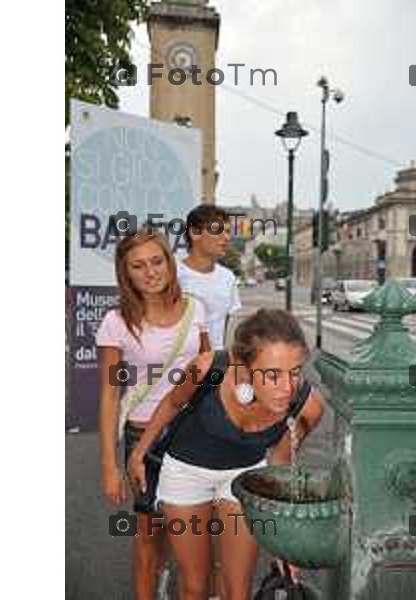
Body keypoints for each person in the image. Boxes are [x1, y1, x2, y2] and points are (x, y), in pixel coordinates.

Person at [128, 309, 325, 600]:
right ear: (244, 367)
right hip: (186, 474)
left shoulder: (308, 408)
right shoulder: (207, 368)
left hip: (243, 477)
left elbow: (279, 464)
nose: (287, 388)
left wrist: (284, 543)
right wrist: (138, 453)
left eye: (295, 372)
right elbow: (172, 403)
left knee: (237, 590)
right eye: (272, 374)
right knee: (195, 586)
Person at [96, 228, 210, 600]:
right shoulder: (117, 322)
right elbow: (111, 394)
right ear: (125, 273)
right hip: (146, 441)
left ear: (169, 262)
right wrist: (111, 466)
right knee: (149, 538)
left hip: (195, 437)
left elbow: (208, 373)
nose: (150, 272)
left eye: (157, 261)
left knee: (195, 541)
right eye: (138, 266)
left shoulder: (196, 310)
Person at [177, 204, 242, 350]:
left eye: (227, 231)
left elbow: (227, 323)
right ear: (195, 233)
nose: (226, 237)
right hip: (181, 365)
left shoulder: (228, 278)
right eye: (217, 230)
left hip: (215, 364)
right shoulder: (173, 276)